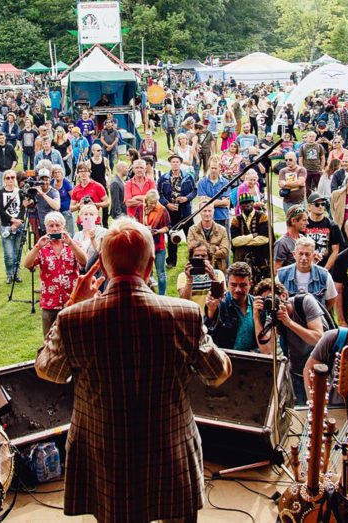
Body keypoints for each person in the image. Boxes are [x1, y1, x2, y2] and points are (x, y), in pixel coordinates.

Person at [35, 217, 231, 523]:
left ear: (102, 265)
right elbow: (218, 374)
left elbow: (49, 371)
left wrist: (73, 301)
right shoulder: (185, 314)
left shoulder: (74, 319)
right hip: (171, 450)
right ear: (151, 265)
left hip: (104, 454)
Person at [253, 278, 327, 405]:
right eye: (267, 302)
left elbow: (318, 339)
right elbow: (266, 350)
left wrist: (289, 323)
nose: (271, 305)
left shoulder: (305, 302)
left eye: (272, 299)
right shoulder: (272, 316)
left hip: (322, 371)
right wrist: (256, 317)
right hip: (298, 373)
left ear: (284, 296)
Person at [24, 212, 86, 337]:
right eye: (51, 226)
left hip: (71, 300)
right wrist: (37, 246)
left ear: (63, 227)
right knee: (48, 338)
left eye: (57, 225)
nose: (54, 228)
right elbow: (27, 264)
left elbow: (84, 262)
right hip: (50, 302)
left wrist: (71, 244)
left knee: (74, 337)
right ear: (46, 228)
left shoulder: (72, 245)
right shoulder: (42, 247)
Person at [204, 261, 260, 352]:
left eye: (243, 285)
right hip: (226, 358)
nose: (238, 290)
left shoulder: (257, 305)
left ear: (250, 284)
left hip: (252, 359)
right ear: (227, 283)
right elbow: (207, 334)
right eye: (233, 285)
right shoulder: (219, 304)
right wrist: (211, 311)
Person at [158, 153, 197, 269]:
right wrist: (167, 204)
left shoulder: (188, 177)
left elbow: (194, 191)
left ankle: (193, 260)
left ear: (180, 163)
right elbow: (159, 194)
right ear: (170, 163)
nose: (175, 164)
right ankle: (171, 261)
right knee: (171, 237)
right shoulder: (163, 178)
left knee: (191, 236)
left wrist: (186, 198)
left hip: (185, 212)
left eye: (177, 162)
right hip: (171, 212)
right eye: (173, 162)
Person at [230, 192, 271, 284]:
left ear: (253, 203)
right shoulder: (236, 220)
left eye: (250, 202)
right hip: (242, 259)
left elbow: (265, 239)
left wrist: (243, 241)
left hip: (261, 258)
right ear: (240, 205)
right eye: (244, 203)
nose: (248, 204)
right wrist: (252, 236)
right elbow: (235, 242)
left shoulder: (263, 216)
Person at [176, 240, 225, 309]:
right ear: (191, 258)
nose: (200, 258)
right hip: (193, 315)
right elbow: (184, 301)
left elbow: (222, 298)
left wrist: (213, 277)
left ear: (209, 258)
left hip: (212, 315)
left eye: (203, 256)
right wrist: (189, 279)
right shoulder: (183, 276)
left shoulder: (218, 274)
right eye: (196, 256)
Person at [0, 170, 26, 284]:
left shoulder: (20, 192)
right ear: (4, 179)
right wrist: (12, 221)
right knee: (9, 254)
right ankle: (9, 273)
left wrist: (17, 222)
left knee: (17, 252)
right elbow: (1, 210)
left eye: (12, 177)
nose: (10, 180)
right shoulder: (0, 193)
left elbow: (23, 208)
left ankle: (16, 273)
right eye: (8, 178)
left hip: (18, 224)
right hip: (7, 225)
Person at [185, 201, 230, 273]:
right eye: (204, 211)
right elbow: (191, 251)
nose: (207, 214)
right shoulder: (192, 230)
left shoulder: (222, 230)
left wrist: (202, 252)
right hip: (198, 268)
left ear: (213, 211)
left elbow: (225, 252)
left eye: (209, 211)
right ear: (200, 212)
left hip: (217, 268)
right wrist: (214, 248)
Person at [141, 189, 171, 295]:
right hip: (144, 246)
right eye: (151, 203)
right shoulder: (141, 209)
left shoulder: (162, 210)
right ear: (147, 201)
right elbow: (135, 224)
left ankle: (162, 295)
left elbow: (168, 227)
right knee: (146, 273)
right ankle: (148, 294)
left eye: (156, 202)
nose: (154, 205)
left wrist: (158, 231)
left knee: (161, 273)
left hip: (159, 246)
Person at [305, 192, 342, 270]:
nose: (321, 207)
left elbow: (335, 251)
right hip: (305, 266)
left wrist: (325, 270)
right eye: (317, 204)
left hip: (325, 266)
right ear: (309, 206)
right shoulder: (304, 224)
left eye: (323, 204)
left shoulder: (332, 225)